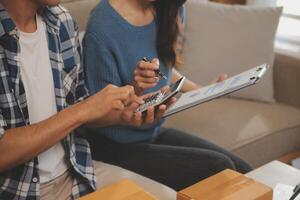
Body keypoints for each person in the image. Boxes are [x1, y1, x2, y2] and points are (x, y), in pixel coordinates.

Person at [0, 0, 177, 199]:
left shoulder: (61, 21)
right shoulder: (102, 23)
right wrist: (82, 110)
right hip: (17, 190)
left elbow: (85, 110)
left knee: (170, 197)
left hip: (77, 172)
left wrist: (123, 114)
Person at [83, 0, 253, 191]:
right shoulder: (102, 29)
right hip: (112, 146)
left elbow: (164, 70)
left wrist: (203, 90)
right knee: (219, 167)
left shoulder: (170, 6)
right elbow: (96, 114)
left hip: (152, 131)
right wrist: (135, 90)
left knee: (245, 171)